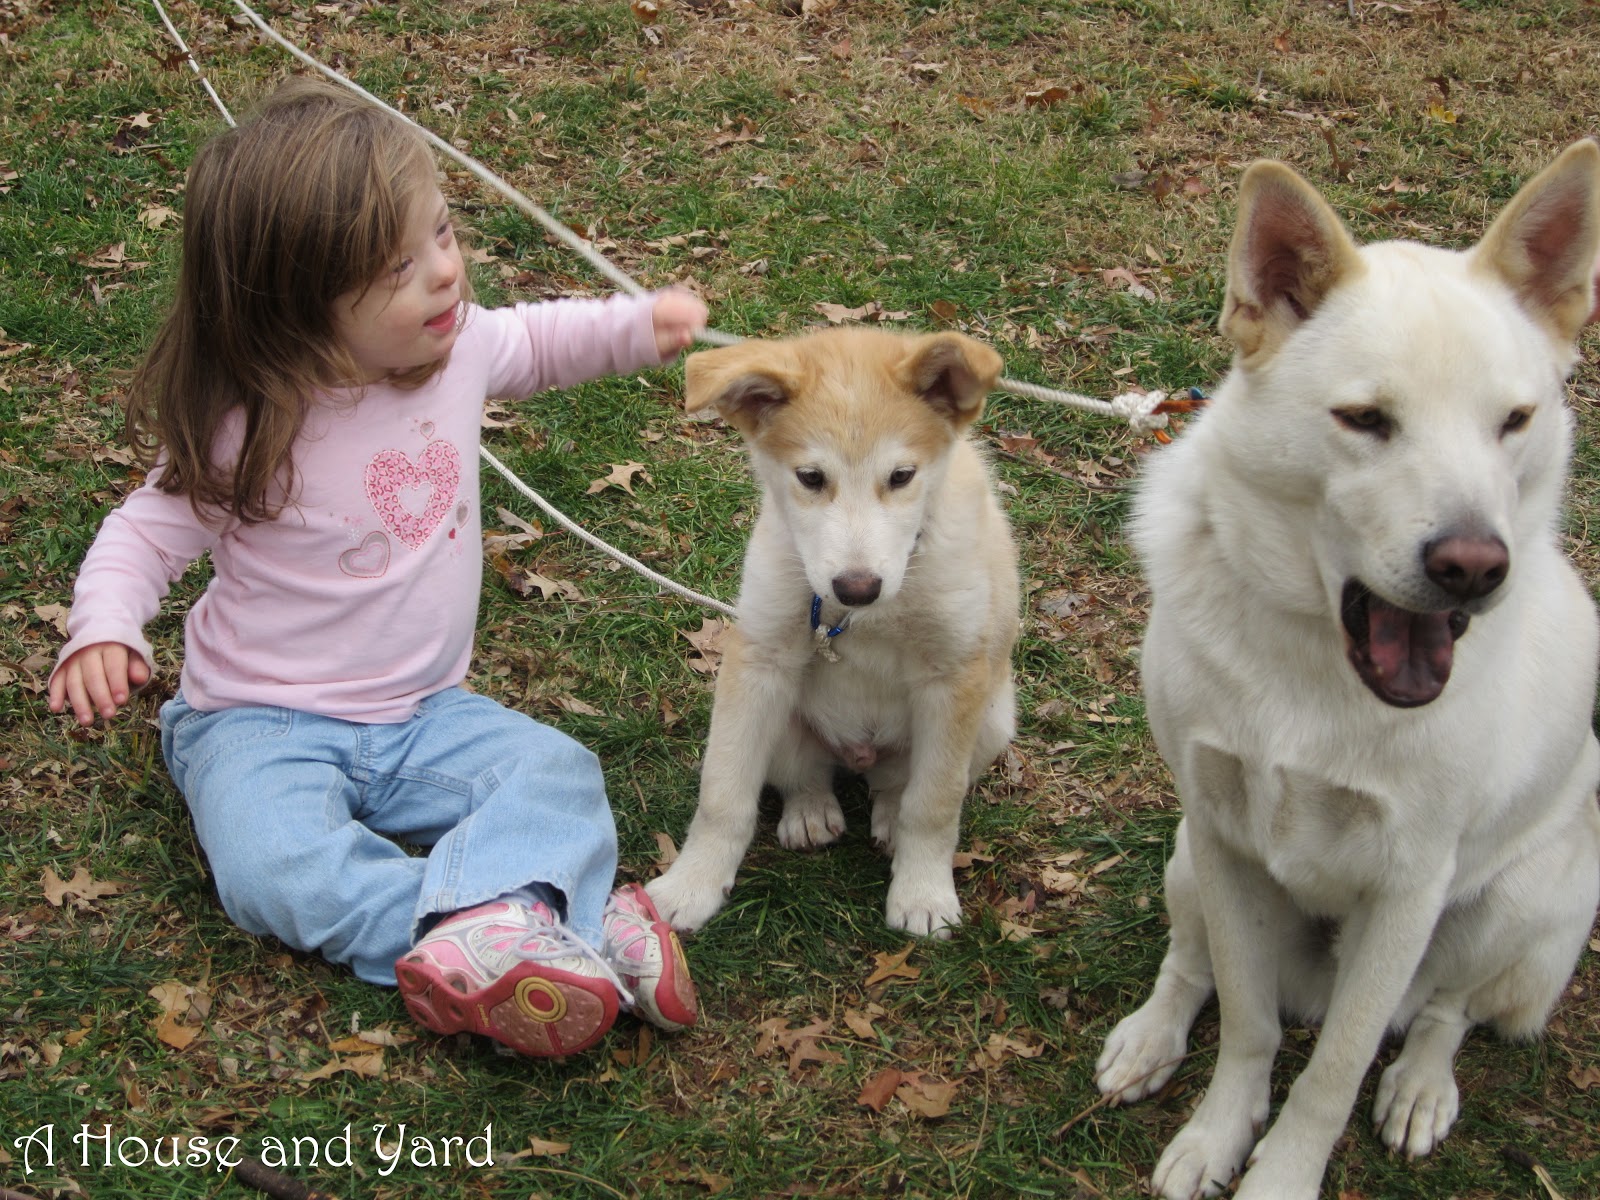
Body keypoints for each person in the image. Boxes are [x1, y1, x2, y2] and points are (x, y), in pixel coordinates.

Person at [45, 76, 707, 1059]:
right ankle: (526, 933)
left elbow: (539, 339)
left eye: (441, 233)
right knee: (271, 868)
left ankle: (530, 932)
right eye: (399, 267)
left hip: (424, 711)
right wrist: (103, 625)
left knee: (555, 771)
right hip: (258, 722)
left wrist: (637, 326)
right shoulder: (248, 426)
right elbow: (145, 532)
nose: (443, 272)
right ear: (298, 309)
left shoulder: (461, 349)